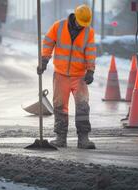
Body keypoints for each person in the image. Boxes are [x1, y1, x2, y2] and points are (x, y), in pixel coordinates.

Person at [37, 4, 97, 149]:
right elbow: (48, 42)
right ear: (74, 16)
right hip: (61, 75)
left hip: (79, 76)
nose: (81, 26)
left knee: (82, 107)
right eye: (80, 23)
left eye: (84, 24)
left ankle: (83, 138)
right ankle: (60, 137)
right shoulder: (58, 27)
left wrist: (90, 70)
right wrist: (44, 60)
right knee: (60, 107)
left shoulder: (89, 32)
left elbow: (90, 52)